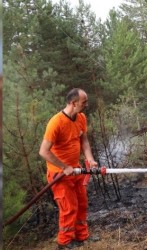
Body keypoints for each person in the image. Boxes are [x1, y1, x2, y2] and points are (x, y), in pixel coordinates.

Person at [39, 88, 98, 249]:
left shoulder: (81, 118)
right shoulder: (56, 122)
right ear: (73, 103)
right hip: (59, 174)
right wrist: (64, 167)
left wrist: (90, 160)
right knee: (69, 208)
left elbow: (84, 141)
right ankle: (64, 243)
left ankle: (81, 237)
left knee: (82, 203)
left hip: (76, 170)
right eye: (83, 102)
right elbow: (43, 151)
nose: (86, 105)